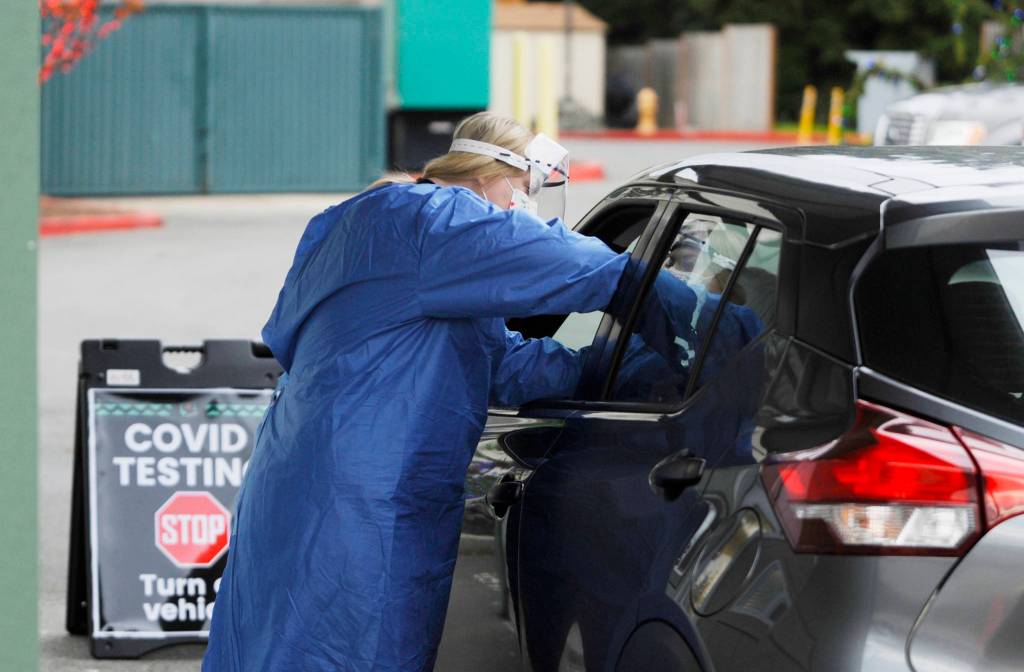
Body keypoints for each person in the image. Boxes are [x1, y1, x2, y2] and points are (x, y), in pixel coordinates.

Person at [202, 112, 629, 672]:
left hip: (303, 467)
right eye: (522, 193)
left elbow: (493, 359)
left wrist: (599, 366)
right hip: (365, 490)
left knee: (273, 640)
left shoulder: (371, 221)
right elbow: (582, 266)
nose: (518, 209)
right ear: (489, 174)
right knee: (349, 646)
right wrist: (679, 302)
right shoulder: (440, 221)